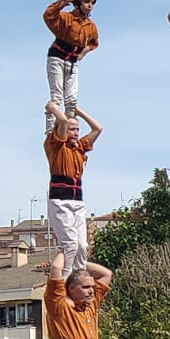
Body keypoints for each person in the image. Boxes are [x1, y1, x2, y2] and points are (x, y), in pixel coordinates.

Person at [43, 102, 103, 274]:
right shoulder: (56, 145)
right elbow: (61, 121)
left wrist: (79, 111)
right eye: (72, 130)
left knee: (82, 246)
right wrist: (53, 108)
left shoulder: (79, 148)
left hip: (77, 201)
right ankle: (65, 281)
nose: (76, 133)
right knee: (70, 245)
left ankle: (80, 277)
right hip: (60, 200)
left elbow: (98, 129)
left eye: (77, 129)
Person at [42, 0, 99, 134]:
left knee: (72, 100)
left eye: (92, 3)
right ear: (78, 2)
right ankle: (51, 131)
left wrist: (84, 51)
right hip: (57, 58)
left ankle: (67, 130)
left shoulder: (90, 26)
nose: (89, 5)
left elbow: (94, 42)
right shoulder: (66, 18)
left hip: (72, 62)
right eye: (86, 1)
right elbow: (48, 15)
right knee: (57, 97)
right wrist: (63, 2)